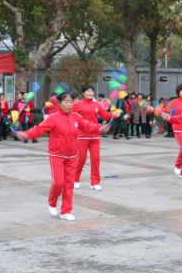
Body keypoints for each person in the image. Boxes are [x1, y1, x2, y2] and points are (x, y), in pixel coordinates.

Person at [16, 92, 109, 221]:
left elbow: (87, 126)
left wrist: (100, 128)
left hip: (72, 156)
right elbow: (39, 129)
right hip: (57, 155)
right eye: (66, 101)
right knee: (59, 183)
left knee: (69, 184)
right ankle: (52, 202)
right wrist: (26, 135)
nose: (69, 104)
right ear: (59, 103)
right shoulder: (53, 118)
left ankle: (66, 210)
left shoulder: (76, 117)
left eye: (71, 101)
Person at [72, 85, 119, 191]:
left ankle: (95, 182)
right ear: (83, 93)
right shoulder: (77, 105)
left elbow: (105, 116)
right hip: (82, 136)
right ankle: (75, 179)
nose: (90, 93)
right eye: (88, 91)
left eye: (92, 91)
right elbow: (71, 116)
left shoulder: (97, 104)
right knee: (81, 160)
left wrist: (113, 114)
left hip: (95, 136)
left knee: (95, 159)